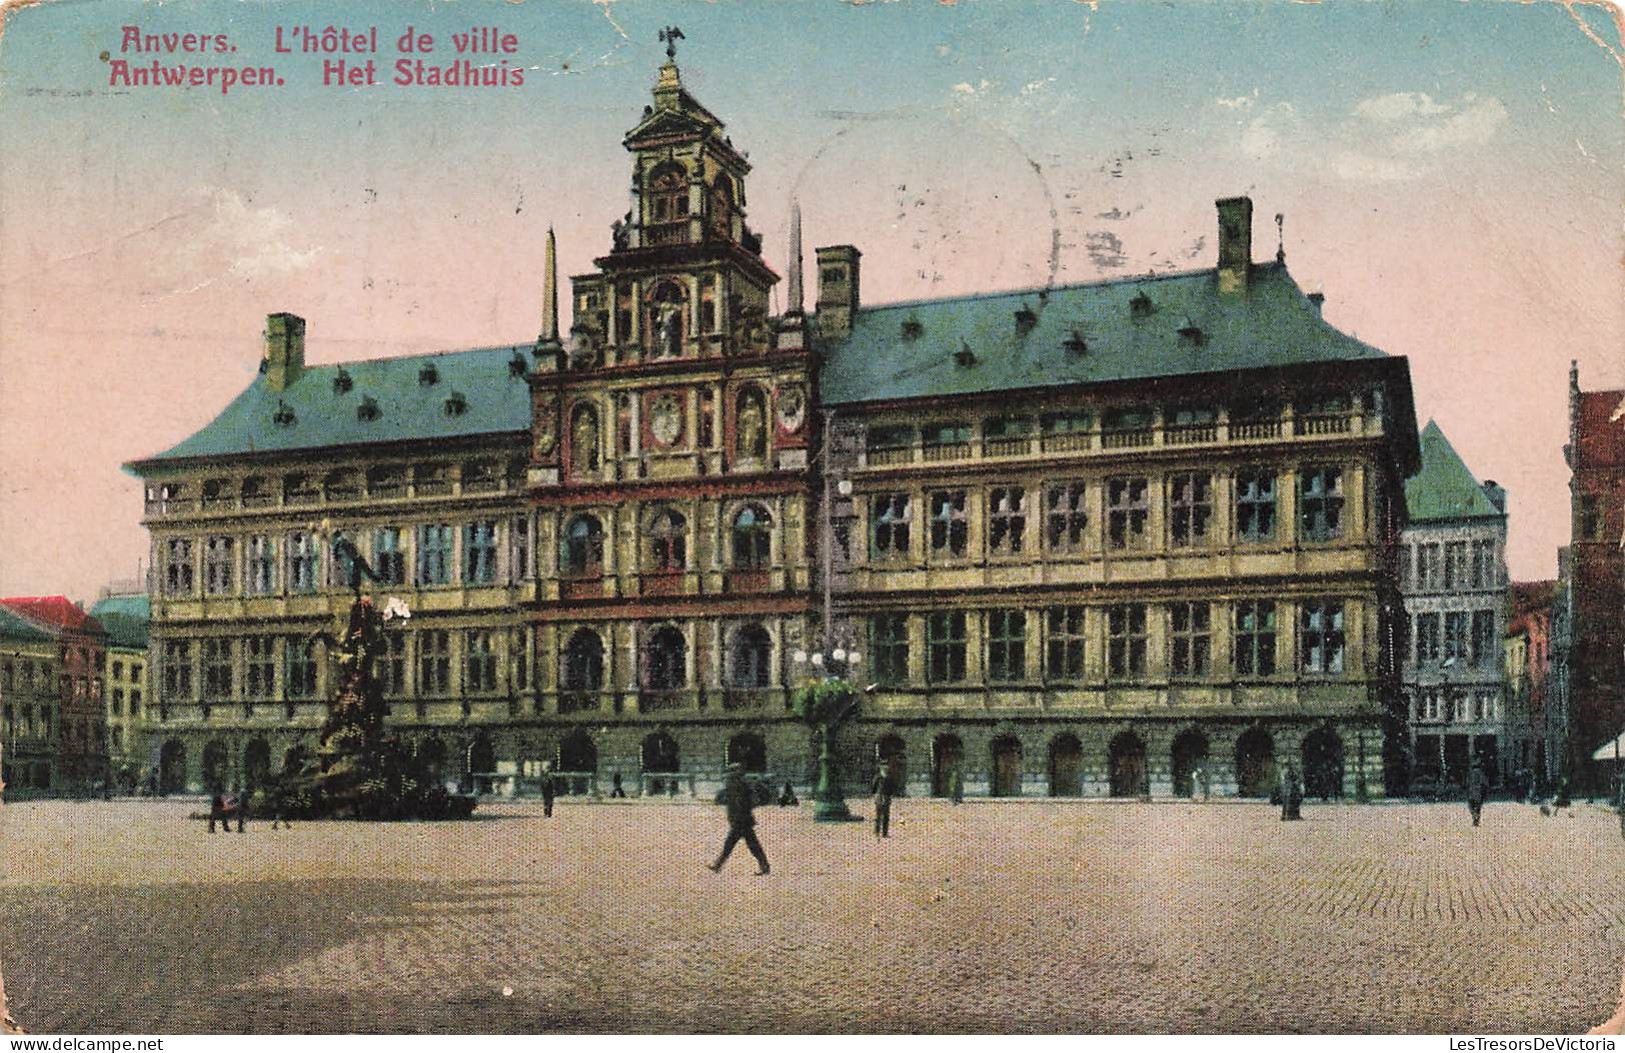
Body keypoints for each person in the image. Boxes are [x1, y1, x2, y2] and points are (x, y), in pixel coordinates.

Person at [708, 762, 769, 875]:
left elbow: (744, 803)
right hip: (740, 820)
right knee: (751, 845)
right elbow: (723, 800)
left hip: (741, 821)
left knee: (733, 844)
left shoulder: (740, 786)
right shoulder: (735, 785)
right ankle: (764, 865)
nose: (728, 775)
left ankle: (718, 865)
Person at [872, 766, 893, 838]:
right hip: (879, 797)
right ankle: (877, 831)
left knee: (886, 816)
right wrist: (875, 795)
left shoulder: (889, 778)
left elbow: (891, 788)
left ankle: (884, 833)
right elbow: (874, 787)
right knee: (878, 815)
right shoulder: (878, 777)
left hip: (886, 797)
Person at [1467, 761, 1488, 827]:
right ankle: (1477, 820)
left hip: (1471, 791)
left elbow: (1466, 782)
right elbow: (1485, 782)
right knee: (1478, 806)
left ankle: (1474, 818)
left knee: (1471, 806)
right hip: (1478, 791)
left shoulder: (1470, 773)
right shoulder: (1481, 773)